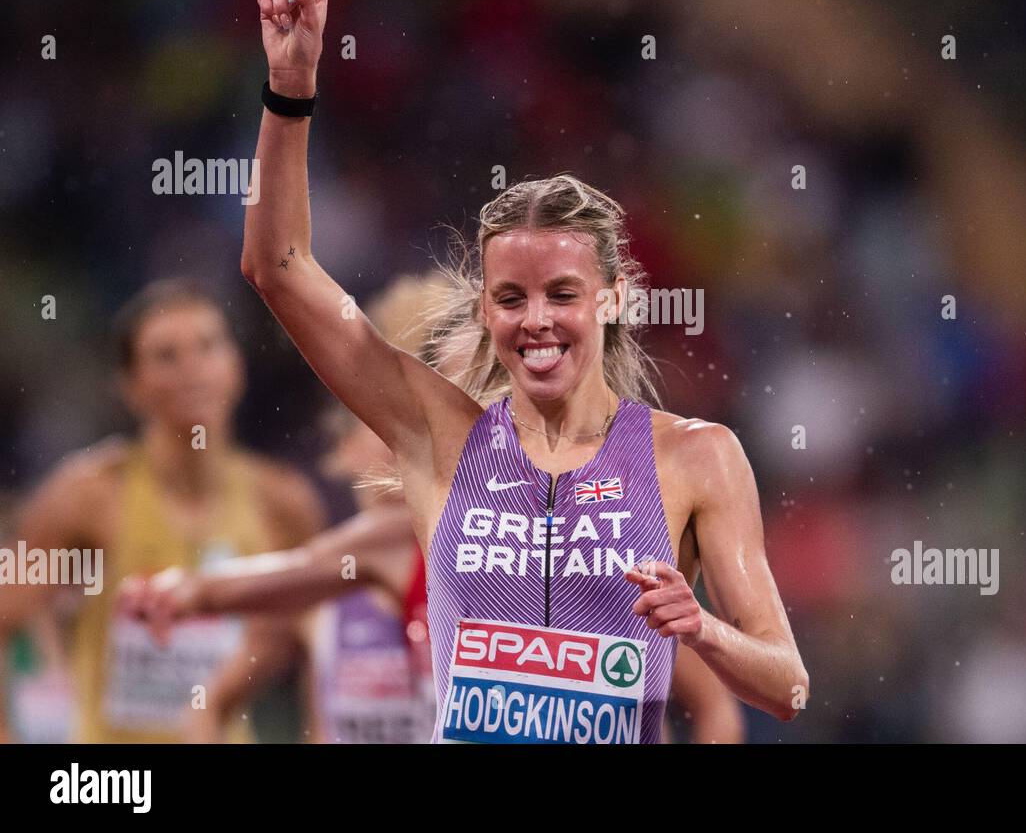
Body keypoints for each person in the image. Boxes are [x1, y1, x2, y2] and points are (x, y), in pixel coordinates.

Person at [242, 0, 807, 743]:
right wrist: (291, 90)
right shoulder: (438, 435)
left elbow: (787, 683)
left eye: (562, 294)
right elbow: (279, 267)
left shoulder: (696, 457)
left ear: (612, 299)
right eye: (511, 297)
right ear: (485, 311)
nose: (536, 321)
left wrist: (702, 627)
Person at [125, 276, 745, 743]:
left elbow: (716, 699)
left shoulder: (599, 547)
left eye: (481, 400)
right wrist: (184, 593)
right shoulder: (395, 541)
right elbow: (276, 582)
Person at [0, 278, 326, 742]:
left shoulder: (281, 503)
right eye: (166, 356)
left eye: (208, 346)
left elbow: (324, 649)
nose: (192, 369)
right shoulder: (88, 495)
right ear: (130, 387)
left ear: (236, 366)